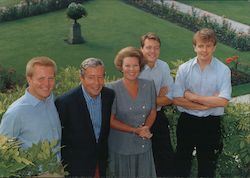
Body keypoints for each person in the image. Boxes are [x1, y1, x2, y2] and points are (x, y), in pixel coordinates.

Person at [173, 28, 232, 177]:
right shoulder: (184, 69)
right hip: (187, 122)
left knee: (207, 166)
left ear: (214, 47)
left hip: (210, 124)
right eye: (200, 46)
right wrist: (208, 103)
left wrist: (193, 97)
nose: (204, 50)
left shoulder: (223, 70)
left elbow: (223, 101)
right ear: (194, 47)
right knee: (182, 163)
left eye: (208, 46)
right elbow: (177, 99)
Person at [55, 58, 115, 177]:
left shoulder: (109, 96)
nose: (96, 83)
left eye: (100, 77)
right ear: (81, 78)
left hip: (101, 164)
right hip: (76, 167)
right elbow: (60, 138)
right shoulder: (65, 102)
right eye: (91, 77)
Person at [107, 46, 157, 178]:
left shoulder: (149, 85)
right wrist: (135, 130)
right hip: (121, 147)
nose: (131, 69)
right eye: (127, 66)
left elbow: (152, 111)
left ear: (140, 66)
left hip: (143, 146)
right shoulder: (111, 89)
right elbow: (110, 120)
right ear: (121, 67)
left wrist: (146, 128)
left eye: (135, 65)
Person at [0, 56, 61, 151]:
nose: (47, 84)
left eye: (51, 78)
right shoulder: (16, 113)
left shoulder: (52, 100)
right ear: (29, 79)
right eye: (41, 79)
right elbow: (4, 151)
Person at [139, 32, 175, 176]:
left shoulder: (164, 66)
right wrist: (159, 96)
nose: (152, 51)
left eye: (156, 48)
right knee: (142, 162)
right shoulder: (135, 68)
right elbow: (134, 101)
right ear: (141, 49)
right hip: (138, 121)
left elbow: (170, 98)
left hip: (159, 118)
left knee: (165, 161)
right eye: (148, 47)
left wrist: (149, 99)